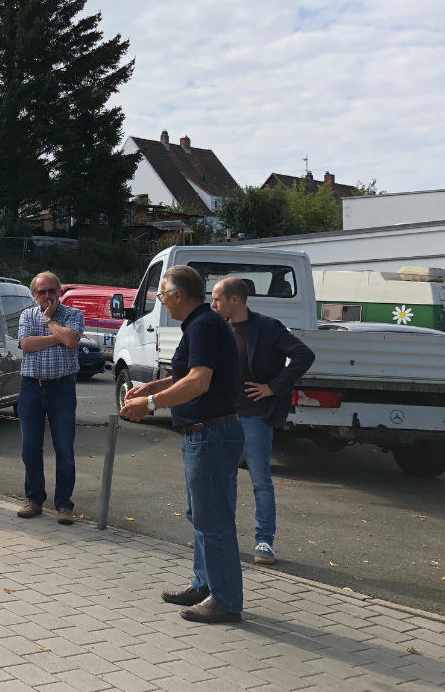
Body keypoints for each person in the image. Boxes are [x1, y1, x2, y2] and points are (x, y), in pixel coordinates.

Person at [120, 264, 244, 624]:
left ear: (177, 295)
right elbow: (188, 374)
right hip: (205, 433)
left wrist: (149, 405)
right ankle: (204, 585)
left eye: (161, 294)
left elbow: (199, 382)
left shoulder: (204, 325)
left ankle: (225, 599)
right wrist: (152, 387)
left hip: (211, 433)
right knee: (202, 516)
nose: (160, 300)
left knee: (213, 520)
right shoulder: (201, 324)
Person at [211, 276, 314, 566]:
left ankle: (264, 542)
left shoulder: (267, 328)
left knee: (260, 482)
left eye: (217, 298)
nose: (212, 304)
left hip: (256, 417)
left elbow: (304, 355)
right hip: (224, 417)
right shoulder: (218, 328)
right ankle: (220, 535)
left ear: (235, 300)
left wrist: (273, 387)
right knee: (223, 478)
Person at [15, 271, 84, 522]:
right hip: (31, 388)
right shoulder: (25, 315)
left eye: (51, 291)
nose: (47, 296)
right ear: (33, 295)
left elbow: (73, 341)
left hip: (62, 390)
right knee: (30, 447)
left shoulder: (74, 315)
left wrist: (48, 321)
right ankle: (34, 500)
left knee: (64, 448)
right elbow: (26, 345)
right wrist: (58, 337)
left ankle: (64, 505)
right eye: (41, 292)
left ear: (59, 291)